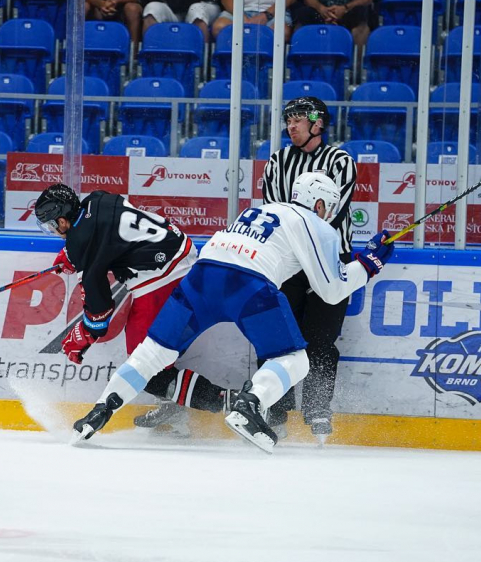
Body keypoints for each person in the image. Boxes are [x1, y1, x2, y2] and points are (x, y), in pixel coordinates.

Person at [72, 172, 394, 452]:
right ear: (320, 204)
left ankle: (99, 410)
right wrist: (370, 263)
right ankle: (250, 404)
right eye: (329, 209)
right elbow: (331, 289)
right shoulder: (316, 224)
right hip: (248, 283)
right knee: (295, 360)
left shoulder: (260, 209)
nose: (328, 216)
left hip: (202, 274)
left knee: (153, 352)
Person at [35, 185, 232, 431]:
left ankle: (231, 402)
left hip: (164, 277)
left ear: (63, 221)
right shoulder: (97, 199)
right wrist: (75, 252)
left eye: (52, 226)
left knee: (145, 368)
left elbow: (100, 310)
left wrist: (84, 335)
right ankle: (174, 407)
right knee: (153, 358)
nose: (53, 231)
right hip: (181, 250)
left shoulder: (82, 242)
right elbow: (104, 233)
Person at [260, 96, 357, 442]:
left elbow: (332, 216)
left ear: (318, 123)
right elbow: (274, 214)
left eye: (299, 118)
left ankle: (317, 409)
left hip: (330, 260)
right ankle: (274, 408)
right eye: (288, 119)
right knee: (278, 337)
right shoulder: (277, 161)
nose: (292, 125)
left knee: (320, 339)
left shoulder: (340, 161)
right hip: (287, 264)